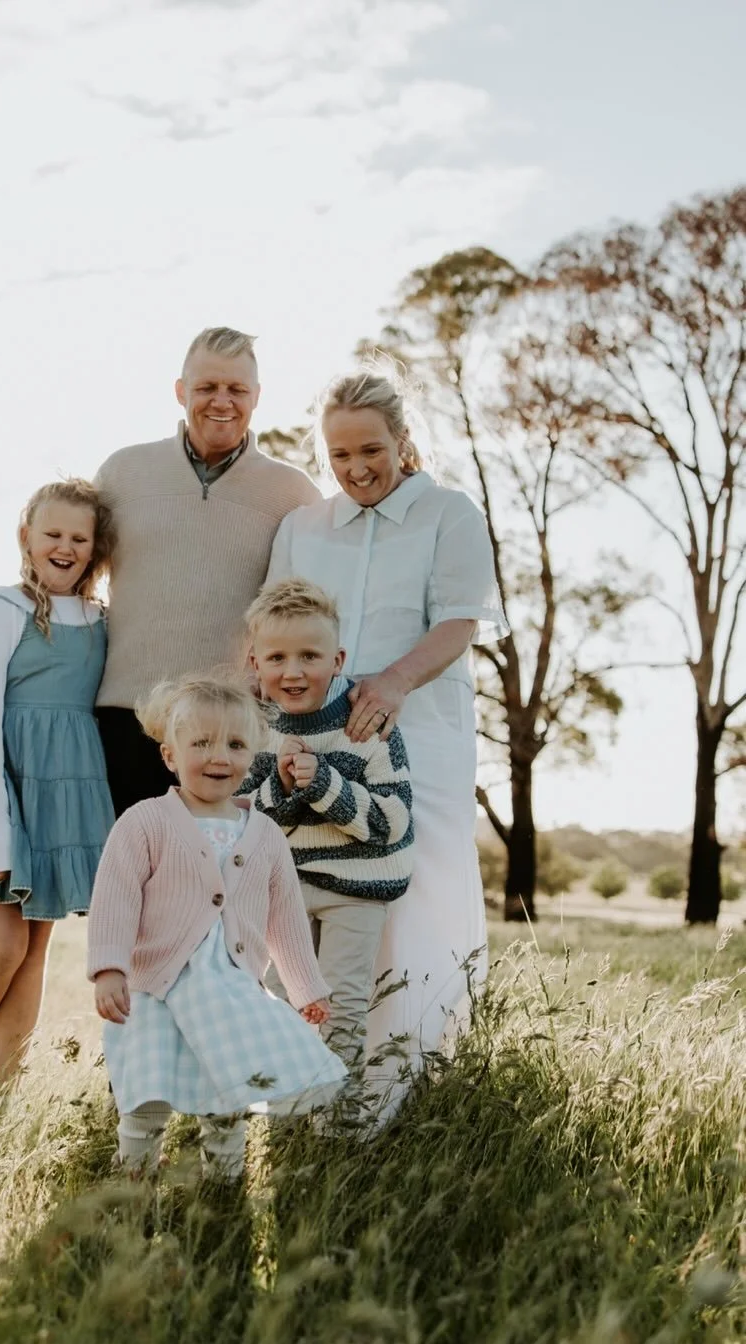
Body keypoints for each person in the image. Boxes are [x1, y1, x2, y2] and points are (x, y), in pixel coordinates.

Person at [266, 368, 508, 1123]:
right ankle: (310, 1087)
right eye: (339, 456)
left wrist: (394, 683)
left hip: (421, 736)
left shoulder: (449, 514)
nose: (357, 468)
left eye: (371, 449)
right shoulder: (303, 529)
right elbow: (275, 622)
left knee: (416, 891)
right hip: (313, 742)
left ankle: (408, 1083)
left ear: (403, 441)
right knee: (316, 892)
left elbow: (460, 622)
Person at [87, 675, 347, 1179]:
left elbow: (286, 918)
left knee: (228, 1100)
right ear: (169, 756)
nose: (218, 757)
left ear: (254, 756)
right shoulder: (146, 822)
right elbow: (115, 898)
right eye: (201, 743)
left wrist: (305, 987)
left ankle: (224, 1187)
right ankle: (133, 1185)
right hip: (154, 989)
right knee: (146, 1098)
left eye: (234, 744)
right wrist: (109, 970)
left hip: (229, 990)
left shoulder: (265, 834)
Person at [0, 479, 116, 1111]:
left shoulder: (102, 620)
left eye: (79, 537)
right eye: (52, 534)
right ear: (27, 538)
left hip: (63, 792)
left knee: (35, 949)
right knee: (3, 944)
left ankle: (5, 1091)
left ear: (95, 549)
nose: (64, 547)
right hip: (2, 786)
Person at [93, 326, 320, 818]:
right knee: (117, 886)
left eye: (237, 389)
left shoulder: (293, 494)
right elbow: (68, 578)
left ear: (257, 397)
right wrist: (9, 651)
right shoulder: (123, 474)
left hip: (227, 729)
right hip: (121, 718)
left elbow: (308, 612)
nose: (222, 401)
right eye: (207, 388)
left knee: (213, 886)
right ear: (181, 392)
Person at [239, 579, 415, 1072]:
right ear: (255, 663)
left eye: (309, 657)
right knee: (279, 1002)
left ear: (336, 660)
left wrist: (325, 786)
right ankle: (287, 1117)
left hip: (356, 889)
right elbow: (243, 818)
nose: (292, 672)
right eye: (276, 658)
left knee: (341, 1007)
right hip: (282, 889)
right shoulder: (255, 729)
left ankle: (337, 1123)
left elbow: (389, 823)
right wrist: (283, 786)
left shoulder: (369, 724)